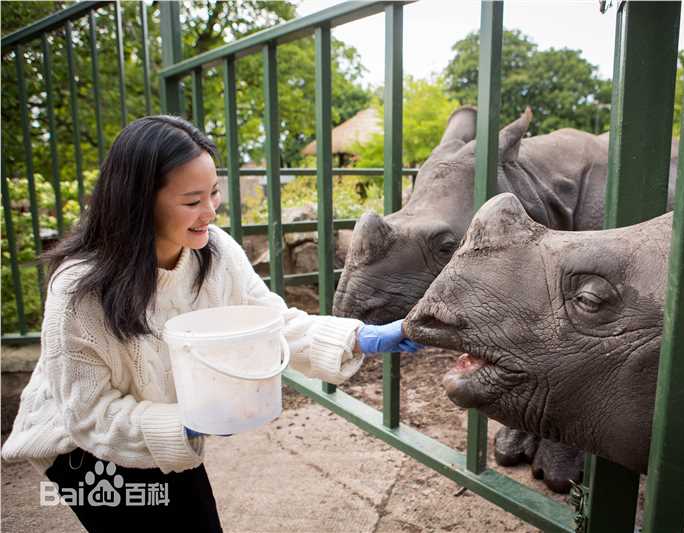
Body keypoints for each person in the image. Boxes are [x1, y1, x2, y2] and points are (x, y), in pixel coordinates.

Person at [1, 115, 420, 532]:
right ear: (138, 201)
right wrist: (188, 422)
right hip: (78, 447)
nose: (210, 212)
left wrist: (360, 337)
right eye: (191, 201)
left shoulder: (215, 251)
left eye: (214, 193)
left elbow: (271, 325)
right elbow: (89, 414)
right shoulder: (79, 290)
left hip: (160, 421)